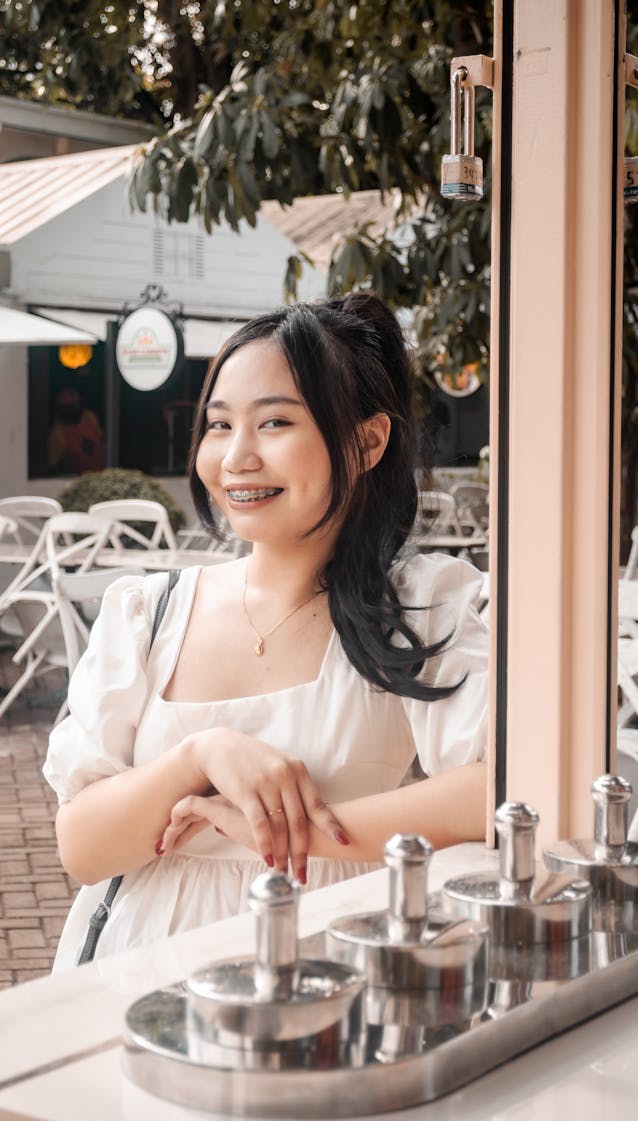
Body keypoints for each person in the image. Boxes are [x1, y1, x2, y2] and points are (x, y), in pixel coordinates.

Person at [43, 293, 488, 969]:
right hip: (136, 973)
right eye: (219, 426)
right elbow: (82, 846)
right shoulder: (147, 611)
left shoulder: (420, 605)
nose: (235, 457)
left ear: (367, 441)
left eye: (274, 422)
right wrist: (200, 757)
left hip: (325, 968)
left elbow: (501, 786)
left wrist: (302, 830)